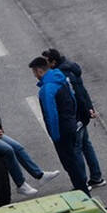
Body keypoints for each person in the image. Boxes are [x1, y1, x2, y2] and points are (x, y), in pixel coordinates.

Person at [43, 48, 106, 187]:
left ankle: (82, 183)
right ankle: (96, 177)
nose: (44, 66)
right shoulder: (71, 69)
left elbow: (73, 97)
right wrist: (89, 108)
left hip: (75, 118)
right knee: (86, 145)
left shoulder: (61, 76)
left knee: (76, 150)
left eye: (46, 62)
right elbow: (83, 91)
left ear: (53, 62)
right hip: (83, 115)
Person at [29, 56, 88, 193]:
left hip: (61, 130)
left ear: (39, 71)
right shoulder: (60, 79)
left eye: (34, 73)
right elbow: (73, 99)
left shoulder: (47, 89)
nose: (35, 76)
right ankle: (82, 187)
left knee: (69, 163)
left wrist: (55, 135)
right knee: (74, 158)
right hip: (71, 124)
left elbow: (51, 114)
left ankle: (82, 191)